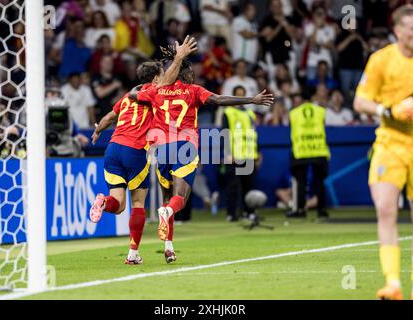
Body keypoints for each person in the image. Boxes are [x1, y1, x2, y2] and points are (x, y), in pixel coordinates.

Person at [129, 51, 274, 263]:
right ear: (184, 75)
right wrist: (251, 99)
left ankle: (169, 248)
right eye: (191, 73)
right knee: (180, 199)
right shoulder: (193, 90)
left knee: (167, 198)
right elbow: (218, 99)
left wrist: (146, 85)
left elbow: (132, 95)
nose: (193, 76)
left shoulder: (156, 91)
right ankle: (167, 213)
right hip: (184, 147)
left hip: (160, 148)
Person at [89, 36, 198, 265]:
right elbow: (167, 84)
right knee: (138, 204)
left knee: (117, 205)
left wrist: (98, 131)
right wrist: (178, 57)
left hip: (112, 149)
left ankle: (103, 201)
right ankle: (132, 253)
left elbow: (109, 116)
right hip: (135, 150)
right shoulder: (155, 93)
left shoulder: (128, 96)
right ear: (157, 77)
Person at [353, 5, 413, 300]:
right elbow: (360, 102)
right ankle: (392, 284)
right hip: (390, 144)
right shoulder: (381, 60)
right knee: (385, 207)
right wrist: (389, 110)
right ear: (398, 31)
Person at [287, 94, 330, 220]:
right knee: (319, 182)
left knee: (300, 182)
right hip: (318, 149)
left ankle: (300, 209)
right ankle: (322, 210)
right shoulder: (321, 111)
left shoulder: (294, 113)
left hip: (301, 150)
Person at [222, 85, 261, 222]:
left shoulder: (250, 114)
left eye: (242, 95)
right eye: (237, 95)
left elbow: (253, 135)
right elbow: (225, 134)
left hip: (249, 155)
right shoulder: (228, 112)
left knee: (248, 186)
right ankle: (231, 214)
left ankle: (248, 212)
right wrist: (227, 153)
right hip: (234, 155)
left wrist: (257, 153)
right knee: (233, 187)